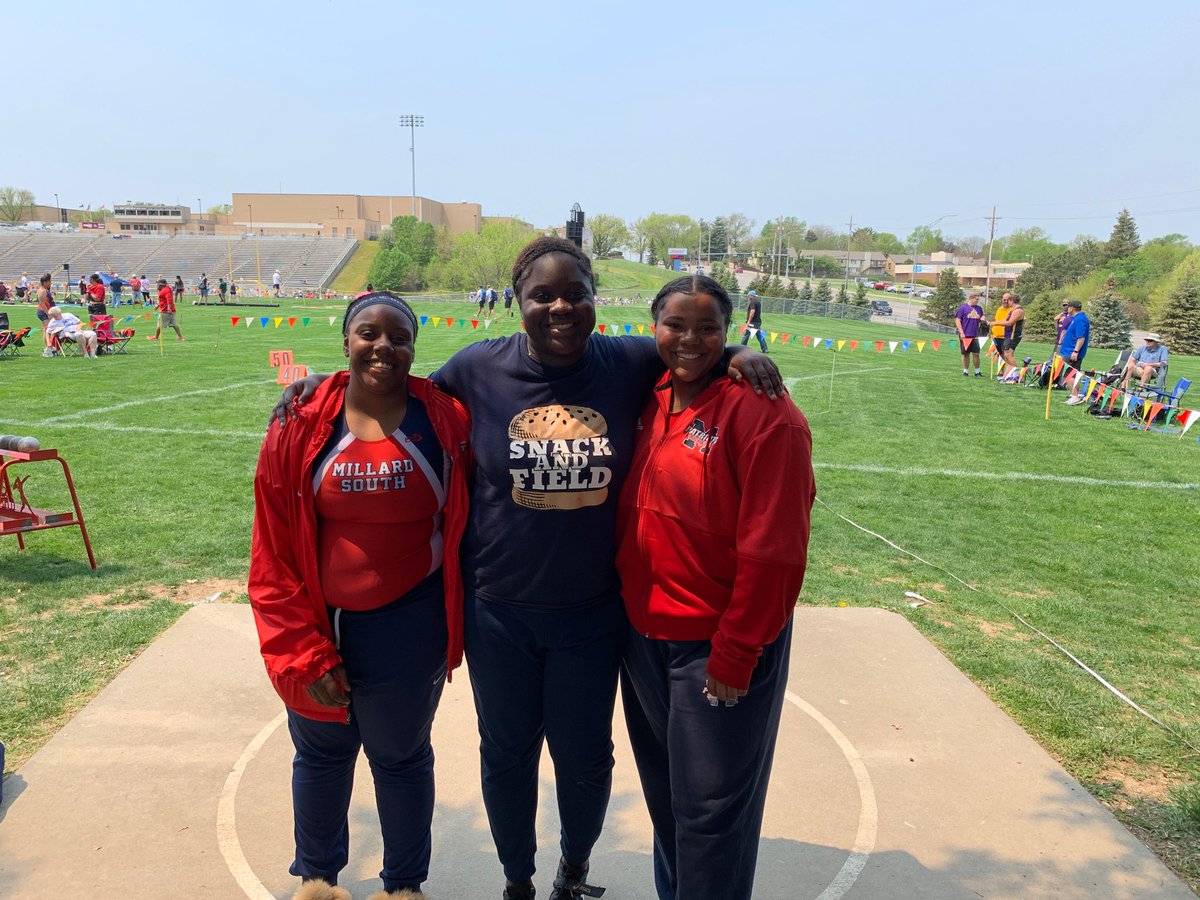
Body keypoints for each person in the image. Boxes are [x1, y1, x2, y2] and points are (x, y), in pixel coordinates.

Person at [275, 236, 782, 900]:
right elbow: (400, 388)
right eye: (542, 294)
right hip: (498, 610)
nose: (561, 307)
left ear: (596, 300)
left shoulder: (627, 362)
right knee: (506, 756)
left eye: (576, 293)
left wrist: (743, 354)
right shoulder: (477, 369)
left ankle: (574, 870)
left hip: (593, 613)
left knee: (585, 761)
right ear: (518, 301)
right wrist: (322, 388)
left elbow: (689, 352)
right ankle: (517, 880)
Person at [251, 292, 472, 900]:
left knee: (400, 757)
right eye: (368, 334)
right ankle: (317, 879)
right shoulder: (300, 421)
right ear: (345, 341)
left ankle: (403, 885)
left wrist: (736, 354)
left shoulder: (445, 416)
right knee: (321, 756)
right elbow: (271, 550)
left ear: (413, 346)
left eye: (399, 337)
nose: (384, 347)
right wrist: (302, 651)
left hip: (410, 623)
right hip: (321, 622)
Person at [616, 275, 814, 900]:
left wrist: (736, 650)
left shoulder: (765, 415)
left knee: (710, 816)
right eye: (676, 325)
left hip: (714, 646)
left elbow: (774, 552)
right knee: (668, 802)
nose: (690, 340)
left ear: (729, 332)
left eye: (709, 329)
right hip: (645, 638)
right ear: (654, 329)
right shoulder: (651, 395)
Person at [1062, 299, 1092, 405]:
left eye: (1068, 306)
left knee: (1069, 374)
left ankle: (1075, 396)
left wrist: (1075, 351)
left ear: (1072, 308)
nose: (1067, 308)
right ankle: (1075, 394)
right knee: (1073, 374)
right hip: (1069, 351)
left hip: (1072, 352)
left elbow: (1081, 337)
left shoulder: (1079, 319)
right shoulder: (1077, 318)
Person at [954, 292, 987, 376]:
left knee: (976, 354)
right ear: (971, 298)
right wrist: (961, 332)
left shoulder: (979, 308)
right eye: (977, 299)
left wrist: (983, 319)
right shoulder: (963, 308)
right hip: (965, 335)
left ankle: (977, 372)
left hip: (976, 335)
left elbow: (981, 319)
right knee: (965, 354)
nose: (978, 301)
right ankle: (965, 371)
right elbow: (957, 320)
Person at [35, 274, 56, 356]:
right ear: (45, 282)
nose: (50, 283)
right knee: (48, 330)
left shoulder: (45, 290)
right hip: (44, 312)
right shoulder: (42, 291)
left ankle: (49, 345)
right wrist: (48, 314)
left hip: (48, 311)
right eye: (49, 282)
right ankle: (47, 346)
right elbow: (42, 304)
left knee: (49, 329)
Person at [1002, 293, 1025, 367]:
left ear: (1011, 301)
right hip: (1008, 335)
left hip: (1013, 335)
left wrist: (994, 323)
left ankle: (1015, 374)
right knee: (1006, 354)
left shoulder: (1018, 311)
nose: (1007, 302)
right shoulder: (1012, 310)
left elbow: (1010, 323)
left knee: (1008, 354)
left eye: (1008, 301)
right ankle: (1009, 374)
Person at [988, 293, 1012, 360]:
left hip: (1006, 337)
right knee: (999, 356)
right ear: (1002, 300)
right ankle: (1001, 371)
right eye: (1004, 299)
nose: (1006, 301)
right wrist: (992, 333)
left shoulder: (1013, 310)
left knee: (1007, 356)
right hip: (996, 337)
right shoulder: (999, 309)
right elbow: (996, 321)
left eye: (1008, 300)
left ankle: (1009, 370)